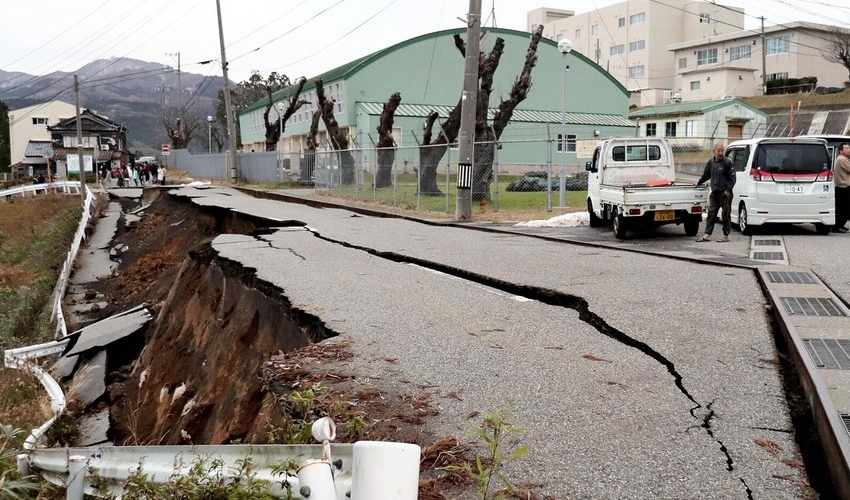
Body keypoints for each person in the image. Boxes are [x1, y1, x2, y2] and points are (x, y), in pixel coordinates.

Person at [695, 142, 736, 242]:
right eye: (719, 151)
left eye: (722, 151)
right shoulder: (711, 163)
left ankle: (726, 235)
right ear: (714, 151)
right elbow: (706, 175)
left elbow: (733, 178)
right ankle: (707, 234)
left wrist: (728, 190)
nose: (721, 153)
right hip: (715, 192)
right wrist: (699, 182)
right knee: (711, 213)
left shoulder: (728, 163)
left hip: (725, 193)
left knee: (725, 214)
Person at [834, 142, 850, 233]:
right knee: (842, 208)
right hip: (843, 187)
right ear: (841, 151)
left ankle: (841, 225)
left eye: (849, 148)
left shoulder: (843, 159)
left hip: (843, 186)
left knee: (844, 208)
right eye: (846, 148)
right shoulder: (842, 159)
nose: (849, 150)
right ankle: (837, 226)